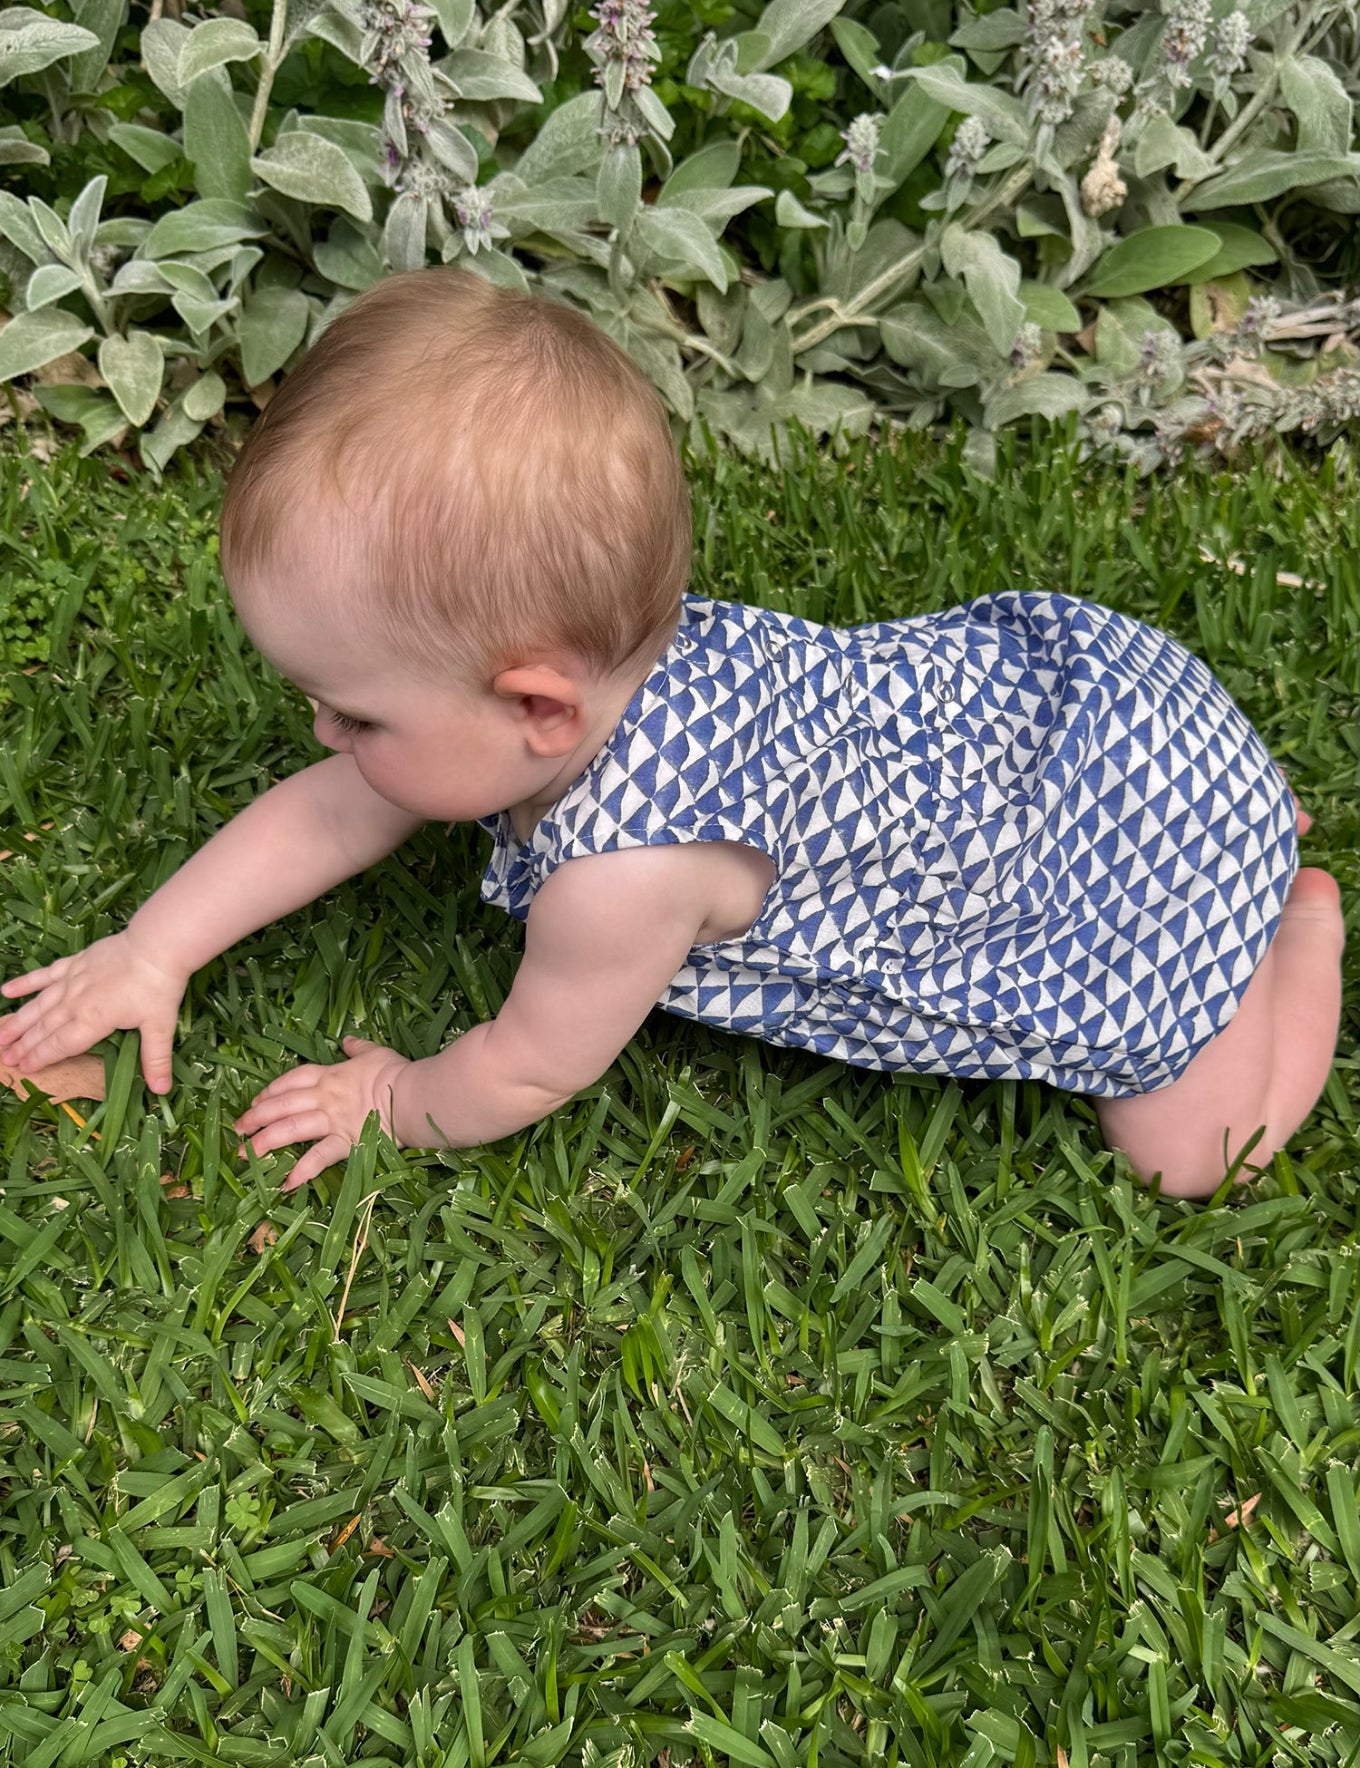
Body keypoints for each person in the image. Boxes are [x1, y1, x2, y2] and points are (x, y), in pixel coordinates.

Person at [0, 270, 1343, 1200]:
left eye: (355, 710)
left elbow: (526, 1067)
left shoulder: (621, 879)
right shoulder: (594, 663)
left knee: (1192, 1156)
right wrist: (152, 950)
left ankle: (1296, 921)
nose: (322, 732)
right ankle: (1237, 814)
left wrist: (390, 1101)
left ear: (535, 710)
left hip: (1093, 870)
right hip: (1094, 715)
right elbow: (339, 806)